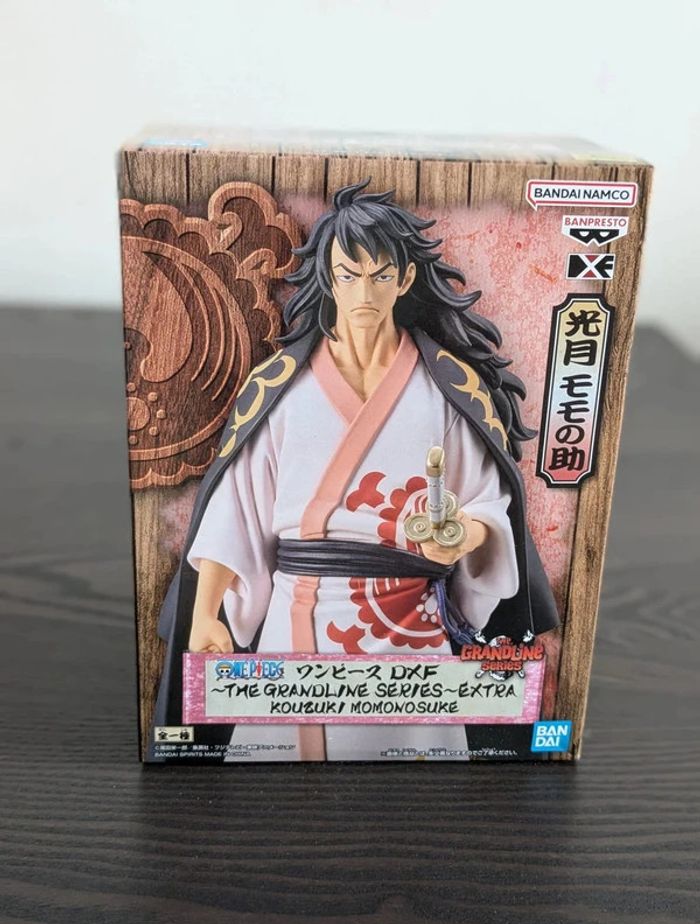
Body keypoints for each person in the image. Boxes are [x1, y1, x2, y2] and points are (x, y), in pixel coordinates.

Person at [152, 180, 559, 761]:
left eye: (379, 275)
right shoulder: (281, 387)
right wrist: (205, 612)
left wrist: (460, 534)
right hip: (300, 615)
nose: (364, 292)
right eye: (348, 274)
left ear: (405, 279)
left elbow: (489, 505)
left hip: (412, 622)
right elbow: (235, 510)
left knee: (419, 771)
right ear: (328, 277)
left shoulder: (447, 387)